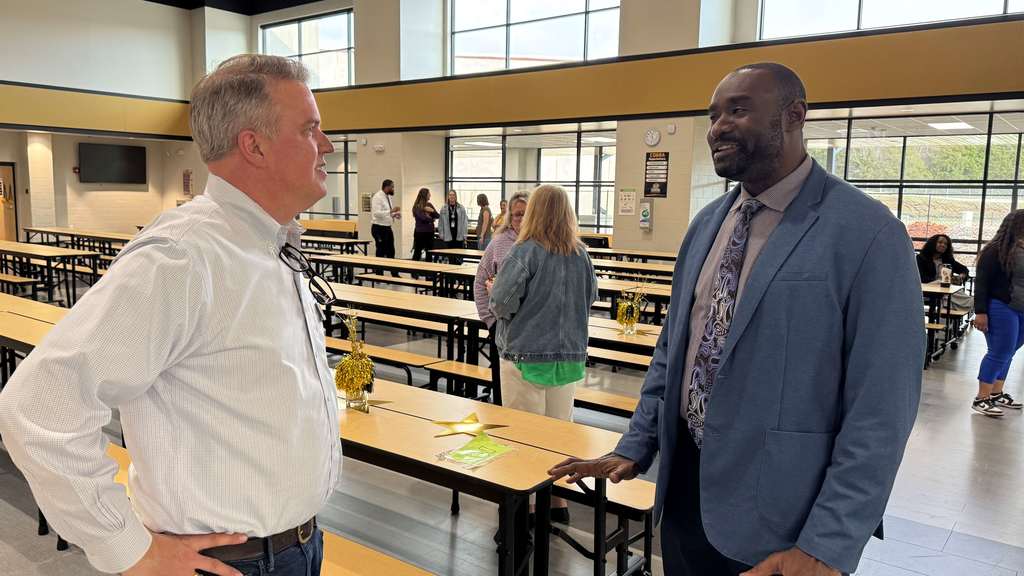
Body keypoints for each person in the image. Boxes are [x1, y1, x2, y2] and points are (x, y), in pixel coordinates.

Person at [549, 62, 923, 576]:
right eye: (712, 115)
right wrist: (636, 445)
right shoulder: (707, 224)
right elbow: (674, 354)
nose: (718, 127)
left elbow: (882, 409)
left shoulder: (868, 233)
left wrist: (828, 544)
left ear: (795, 116)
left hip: (783, 522)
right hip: (684, 499)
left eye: (739, 110)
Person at [0, 55, 342, 576]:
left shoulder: (267, 242)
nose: (328, 145)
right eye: (311, 129)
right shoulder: (185, 256)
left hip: (297, 546)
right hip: (231, 562)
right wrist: (129, 548)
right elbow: (40, 405)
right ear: (255, 145)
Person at [490, 184, 598, 526]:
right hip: (568, 357)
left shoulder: (525, 252)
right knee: (557, 434)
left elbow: (502, 304)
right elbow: (591, 296)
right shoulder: (581, 253)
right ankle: (556, 502)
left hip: (526, 354)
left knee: (525, 436)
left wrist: (496, 291)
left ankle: (527, 509)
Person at [972, 210, 1024, 417]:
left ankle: (996, 393)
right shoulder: (995, 250)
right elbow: (982, 283)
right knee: (999, 351)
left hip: (1022, 309)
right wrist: (981, 312)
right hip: (1002, 306)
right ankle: (981, 398)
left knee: (1009, 352)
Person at [474, 191, 528, 328]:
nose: (522, 218)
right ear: (510, 217)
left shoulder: (540, 244)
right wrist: (490, 320)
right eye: (517, 214)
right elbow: (480, 280)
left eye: (526, 214)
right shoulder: (498, 242)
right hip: (502, 323)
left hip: (530, 327)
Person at [371, 178, 401, 259]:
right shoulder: (377, 197)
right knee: (381, 250)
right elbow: (376, 213)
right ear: (386, 187)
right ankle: (378, 271)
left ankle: (393, 270)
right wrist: (391, 211)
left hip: (387, 227)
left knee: (391, 250)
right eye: (392, 187)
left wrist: (395, 214)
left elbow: (387, 212)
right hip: (378, 228)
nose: (393, 189)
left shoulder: (388, 197)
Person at [411, 187, 438, 262]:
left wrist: (431, 211)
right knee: (417, 252)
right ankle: (414, 273)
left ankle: (428, 271)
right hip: (420, 233)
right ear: (424, 195)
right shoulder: (417, 206)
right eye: (429, 194)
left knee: (429, 252)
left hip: (430, 232)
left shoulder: (429, 204)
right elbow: (423, 218)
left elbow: (437, 215)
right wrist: (431, 219)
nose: (430, 195)